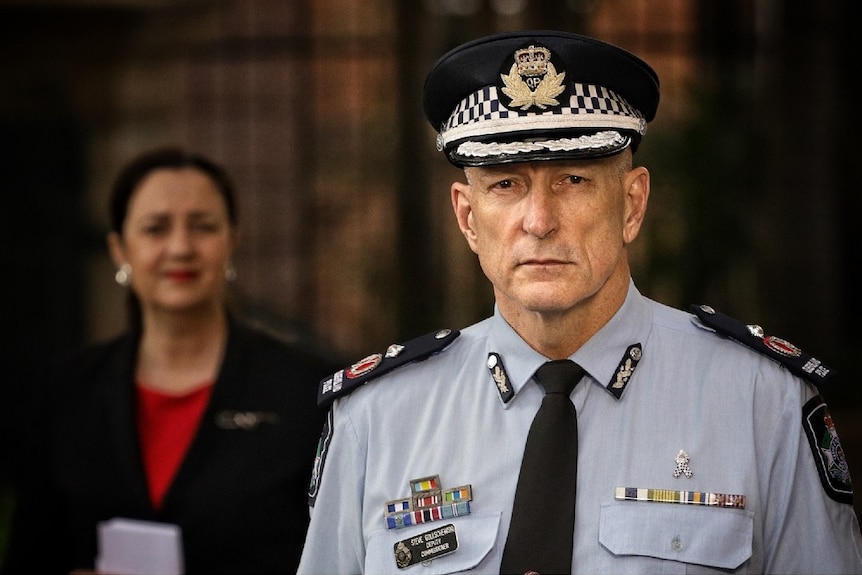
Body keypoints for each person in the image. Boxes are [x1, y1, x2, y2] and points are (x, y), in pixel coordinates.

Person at [297, 30, 862, 574]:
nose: (539, 222)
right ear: (467, 218)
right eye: (505, 185)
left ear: (633, 204)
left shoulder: (763, 405)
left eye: (573, 179)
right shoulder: (377, 420)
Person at [2, 146, 336, 574]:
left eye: (203, 227)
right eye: (156, 228)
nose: (180, 247)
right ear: (119, 249)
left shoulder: (304, 390)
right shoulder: (67, 392)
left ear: (233, 241)